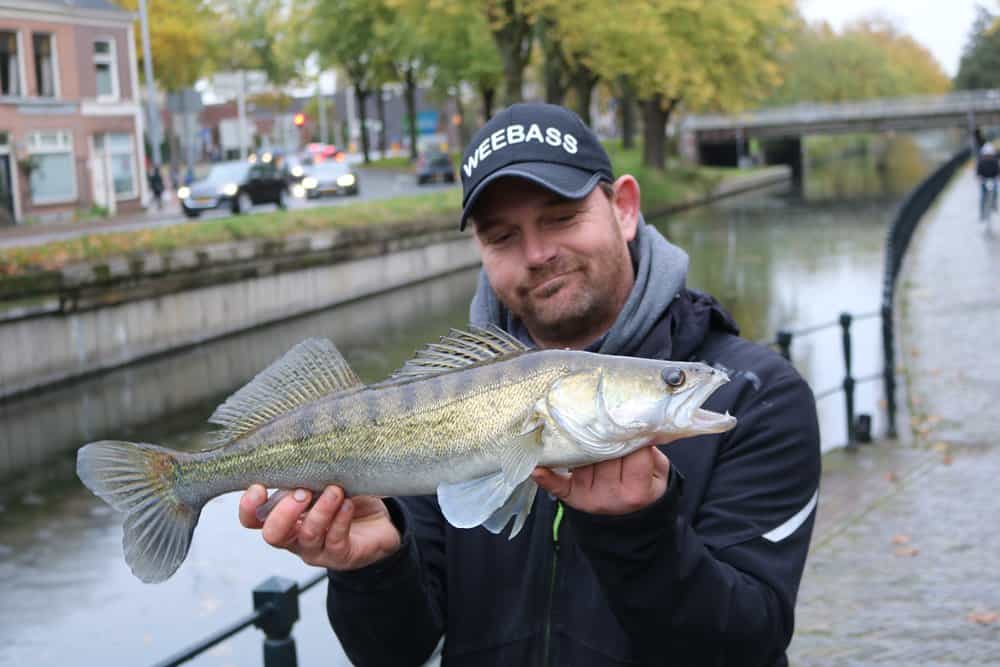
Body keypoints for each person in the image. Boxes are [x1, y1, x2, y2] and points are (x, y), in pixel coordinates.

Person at [239, 103, 821, 666]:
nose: (538, 253)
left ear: (624, 208)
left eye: (561, 217)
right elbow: (398, 652)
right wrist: (372, 568)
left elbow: (749, 643)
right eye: (502, 236)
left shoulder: (754, 396)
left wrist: (639, 533)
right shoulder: (438, 398)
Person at [976, 143, 998, 221]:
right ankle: (982, 213)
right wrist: (980, 178)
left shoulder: (995, 162)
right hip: (984, 181)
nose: (988, 156)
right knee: (983, 196)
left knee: (995, 191)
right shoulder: (981, 162)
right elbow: (978, 173)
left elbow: (997, 172)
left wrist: (996, 178)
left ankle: (994, 204)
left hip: (992, 180)